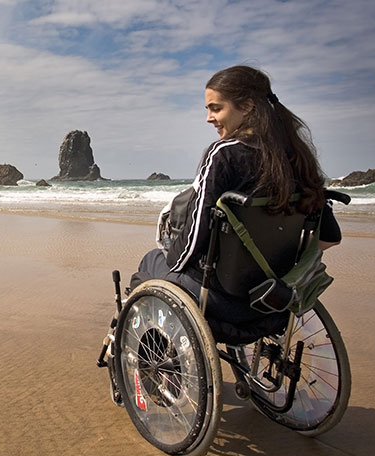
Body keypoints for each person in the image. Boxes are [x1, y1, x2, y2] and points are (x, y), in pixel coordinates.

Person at [133, 65, 342, 344]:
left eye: (215, 108)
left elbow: (194, 242)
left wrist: (172, 259)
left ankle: (152, 354)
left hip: (221, 305)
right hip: (272, 302)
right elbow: (330, 237)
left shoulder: (224, 154)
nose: (209, 118)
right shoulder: (297, 158)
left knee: (152, 260)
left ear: (246, 106)